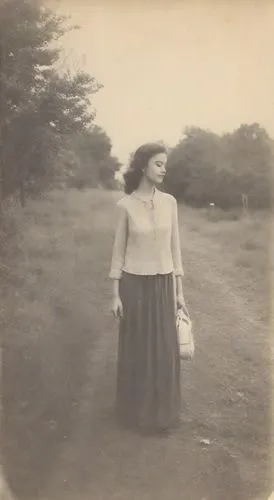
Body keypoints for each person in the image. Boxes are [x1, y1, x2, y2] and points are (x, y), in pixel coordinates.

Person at [109, 142, 187, 434]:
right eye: (158, 163)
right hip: (134, 284)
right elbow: (118, 252)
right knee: (138, 349)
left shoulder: (170, 203)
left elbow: (175, 250)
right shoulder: (125, 206)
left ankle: (162, 415)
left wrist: (179, 292)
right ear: (143, 166)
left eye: (165, 163)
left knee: (164, 350)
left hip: (163, 283)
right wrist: (115, 294)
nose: (164, 168)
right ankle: (135, 414)